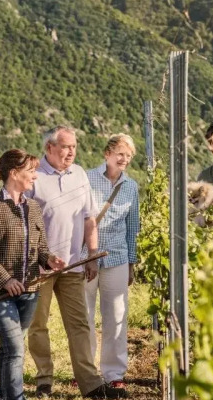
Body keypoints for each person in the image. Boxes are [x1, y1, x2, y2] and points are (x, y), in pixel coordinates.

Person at [27, 126, 127, 399]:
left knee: (80, 323)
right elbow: (23, 224)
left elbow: (89, 219)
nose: (71, 151)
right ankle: (44, 379)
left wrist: (91, 256)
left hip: (72, 265)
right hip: (40, 268)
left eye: (74, 146)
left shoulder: (80, 174)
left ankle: (90, 383)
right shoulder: (34, 177)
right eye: (65, 146)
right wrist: (39, 257)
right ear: (49, 148)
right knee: (39, 325)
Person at [0, 149, 66, 400]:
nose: (35, 176)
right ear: (14, 173)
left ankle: (4, 394)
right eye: (31, 171)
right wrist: (5, 280)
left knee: (10, 348)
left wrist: (50, 259)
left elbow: (41, 248)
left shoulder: (33, 208)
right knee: (15, 347)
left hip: (29, 292)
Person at [84, 134, 140, 388]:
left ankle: (114, 373)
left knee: (116, 316)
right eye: (120, 153)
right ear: (107, 153)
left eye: (128, 155)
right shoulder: (87, 178)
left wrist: (131, 263)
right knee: (83, 315)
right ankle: (84, 371)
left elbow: (132, 227)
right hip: (85, 257)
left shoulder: (131, 186)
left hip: (117, 256)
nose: (124, 159)